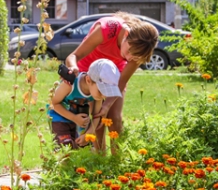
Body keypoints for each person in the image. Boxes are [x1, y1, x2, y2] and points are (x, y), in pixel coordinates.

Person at [65, 12, 158, 151]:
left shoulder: (139, 51)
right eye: (129, 52)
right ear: (126, 35)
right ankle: (99, 157)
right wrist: (73, 68)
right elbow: (74, 56)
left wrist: (107, 105)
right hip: (90, 69)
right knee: (96, 118)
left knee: (114, 118)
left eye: (134, 57)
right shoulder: (107, 29)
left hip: (114, 72)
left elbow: (121, 82)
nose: (129, 58)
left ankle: (116, 161)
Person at [48, 59, 122, 149]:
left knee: (80, 149)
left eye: (107, 92)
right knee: (64, 150)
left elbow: (96, 115)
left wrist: (88, 134)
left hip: (78, 121)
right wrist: (74, 118)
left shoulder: (96, 95)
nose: (104, 96)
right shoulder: (69, 85)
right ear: (88, 80)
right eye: (101, 91)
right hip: (59, 118)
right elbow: (54, 103)